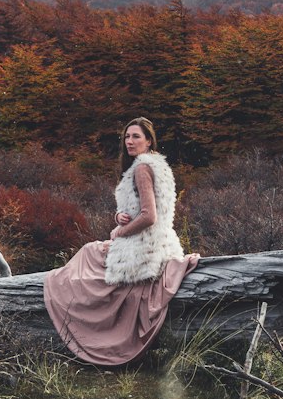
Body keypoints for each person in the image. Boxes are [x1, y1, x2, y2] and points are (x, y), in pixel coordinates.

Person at [43, 117, 199, 366]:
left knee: (85, 257)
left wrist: (119, 232)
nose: (130, 141)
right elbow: (142, 210)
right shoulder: (157, 166)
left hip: (143, 247)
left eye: (136, 136)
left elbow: (149, 216)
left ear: (149, 141)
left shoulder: (141, 169)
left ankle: (86, 327)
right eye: (127, 136)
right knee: (91, 254)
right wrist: (119, 217)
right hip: (161, 241)